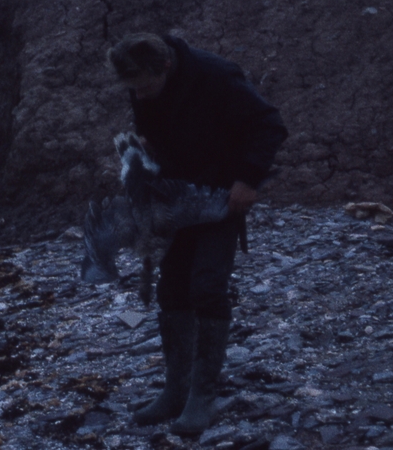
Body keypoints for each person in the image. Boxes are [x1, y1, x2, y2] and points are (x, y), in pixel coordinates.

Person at [107, 32, 288, 435]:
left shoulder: (217, 76)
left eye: (146, 86)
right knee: (172, 290)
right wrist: (145, 154)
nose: (141, 95)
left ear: (165, 65)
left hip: (223, 194)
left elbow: (269, 124)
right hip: (175, 195)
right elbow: (150, 123)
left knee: (207, 287)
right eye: (134, 89)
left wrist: (248, 178)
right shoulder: (143, 82)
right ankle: (177, 390)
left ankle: (203, 396)